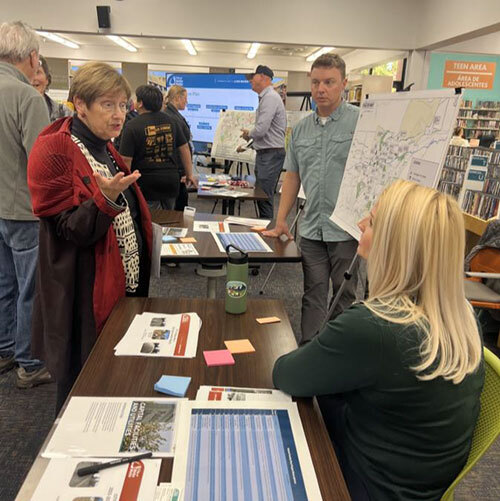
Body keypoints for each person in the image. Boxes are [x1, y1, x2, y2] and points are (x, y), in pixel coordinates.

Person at [273, 180, 484, 501]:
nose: (359, 225)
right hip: (420, 484)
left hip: (361, 485)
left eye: (370, 221)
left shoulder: (377, 326)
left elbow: (285, 374)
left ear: (393, 244)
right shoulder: (463, 317)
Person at [27, 62, 153, 413]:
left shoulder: (104, 145)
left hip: (118, 288)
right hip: (82, 292)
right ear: (80, 104)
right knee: (79, 389)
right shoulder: (54, 149)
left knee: (110, 378)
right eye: (107, 105)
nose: (118, 116)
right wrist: (107, 199)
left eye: (123, 106)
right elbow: (69, 231)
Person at [264, 53, 360, 344]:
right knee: (313, 292)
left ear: (343, 83)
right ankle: (310, 351)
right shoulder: (301, 130)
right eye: (316, 82)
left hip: (347, 230)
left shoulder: (361, 123)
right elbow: (292, 175)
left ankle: (340, 353)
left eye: (329, 82)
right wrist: (281, 220)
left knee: (345, 296)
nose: (321, 88)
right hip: (312, 228)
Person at [0, 21, 52, 388]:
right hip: (22, 210)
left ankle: (5, 348)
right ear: (32, 56)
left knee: (4, 284)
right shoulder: (27, 98)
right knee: (30, 288)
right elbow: (42, 163)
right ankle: (30, 363)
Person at [119, 84, 196, 210]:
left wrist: (124, 184)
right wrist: (189, 174)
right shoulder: (172, 121)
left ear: (141, 103)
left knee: (150, 223)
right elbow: (184, 148)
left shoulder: (132, 126)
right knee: (168, 220)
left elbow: (126, 159)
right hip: (170, 182)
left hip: (146, 184)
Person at [240, 65, 286, 219]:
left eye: (253, 77)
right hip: (267, 154)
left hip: (270, 155)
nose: (251, 81)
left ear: (263, 77)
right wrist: (249, 143)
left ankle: (266, 234)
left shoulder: (270, 98)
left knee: (264, 197)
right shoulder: (267, 97)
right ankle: (264, 229)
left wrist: (250, 134)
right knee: (262, 196)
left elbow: (261, 130)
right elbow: (266, 132)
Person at [164, 84, 193, 211]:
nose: (187, 101)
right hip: (177, 171)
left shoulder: (173, 114)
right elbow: (177, 148)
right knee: (179, 208)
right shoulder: (172, 117)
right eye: (185, 98)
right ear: (177, 98)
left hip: (177, 170)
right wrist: (183, 171)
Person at [31, 54, 73, 122]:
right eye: (28, 74)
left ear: (47, 79)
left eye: (37, 72)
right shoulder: (13, 113)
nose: (33, 78)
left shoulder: (64, 114)